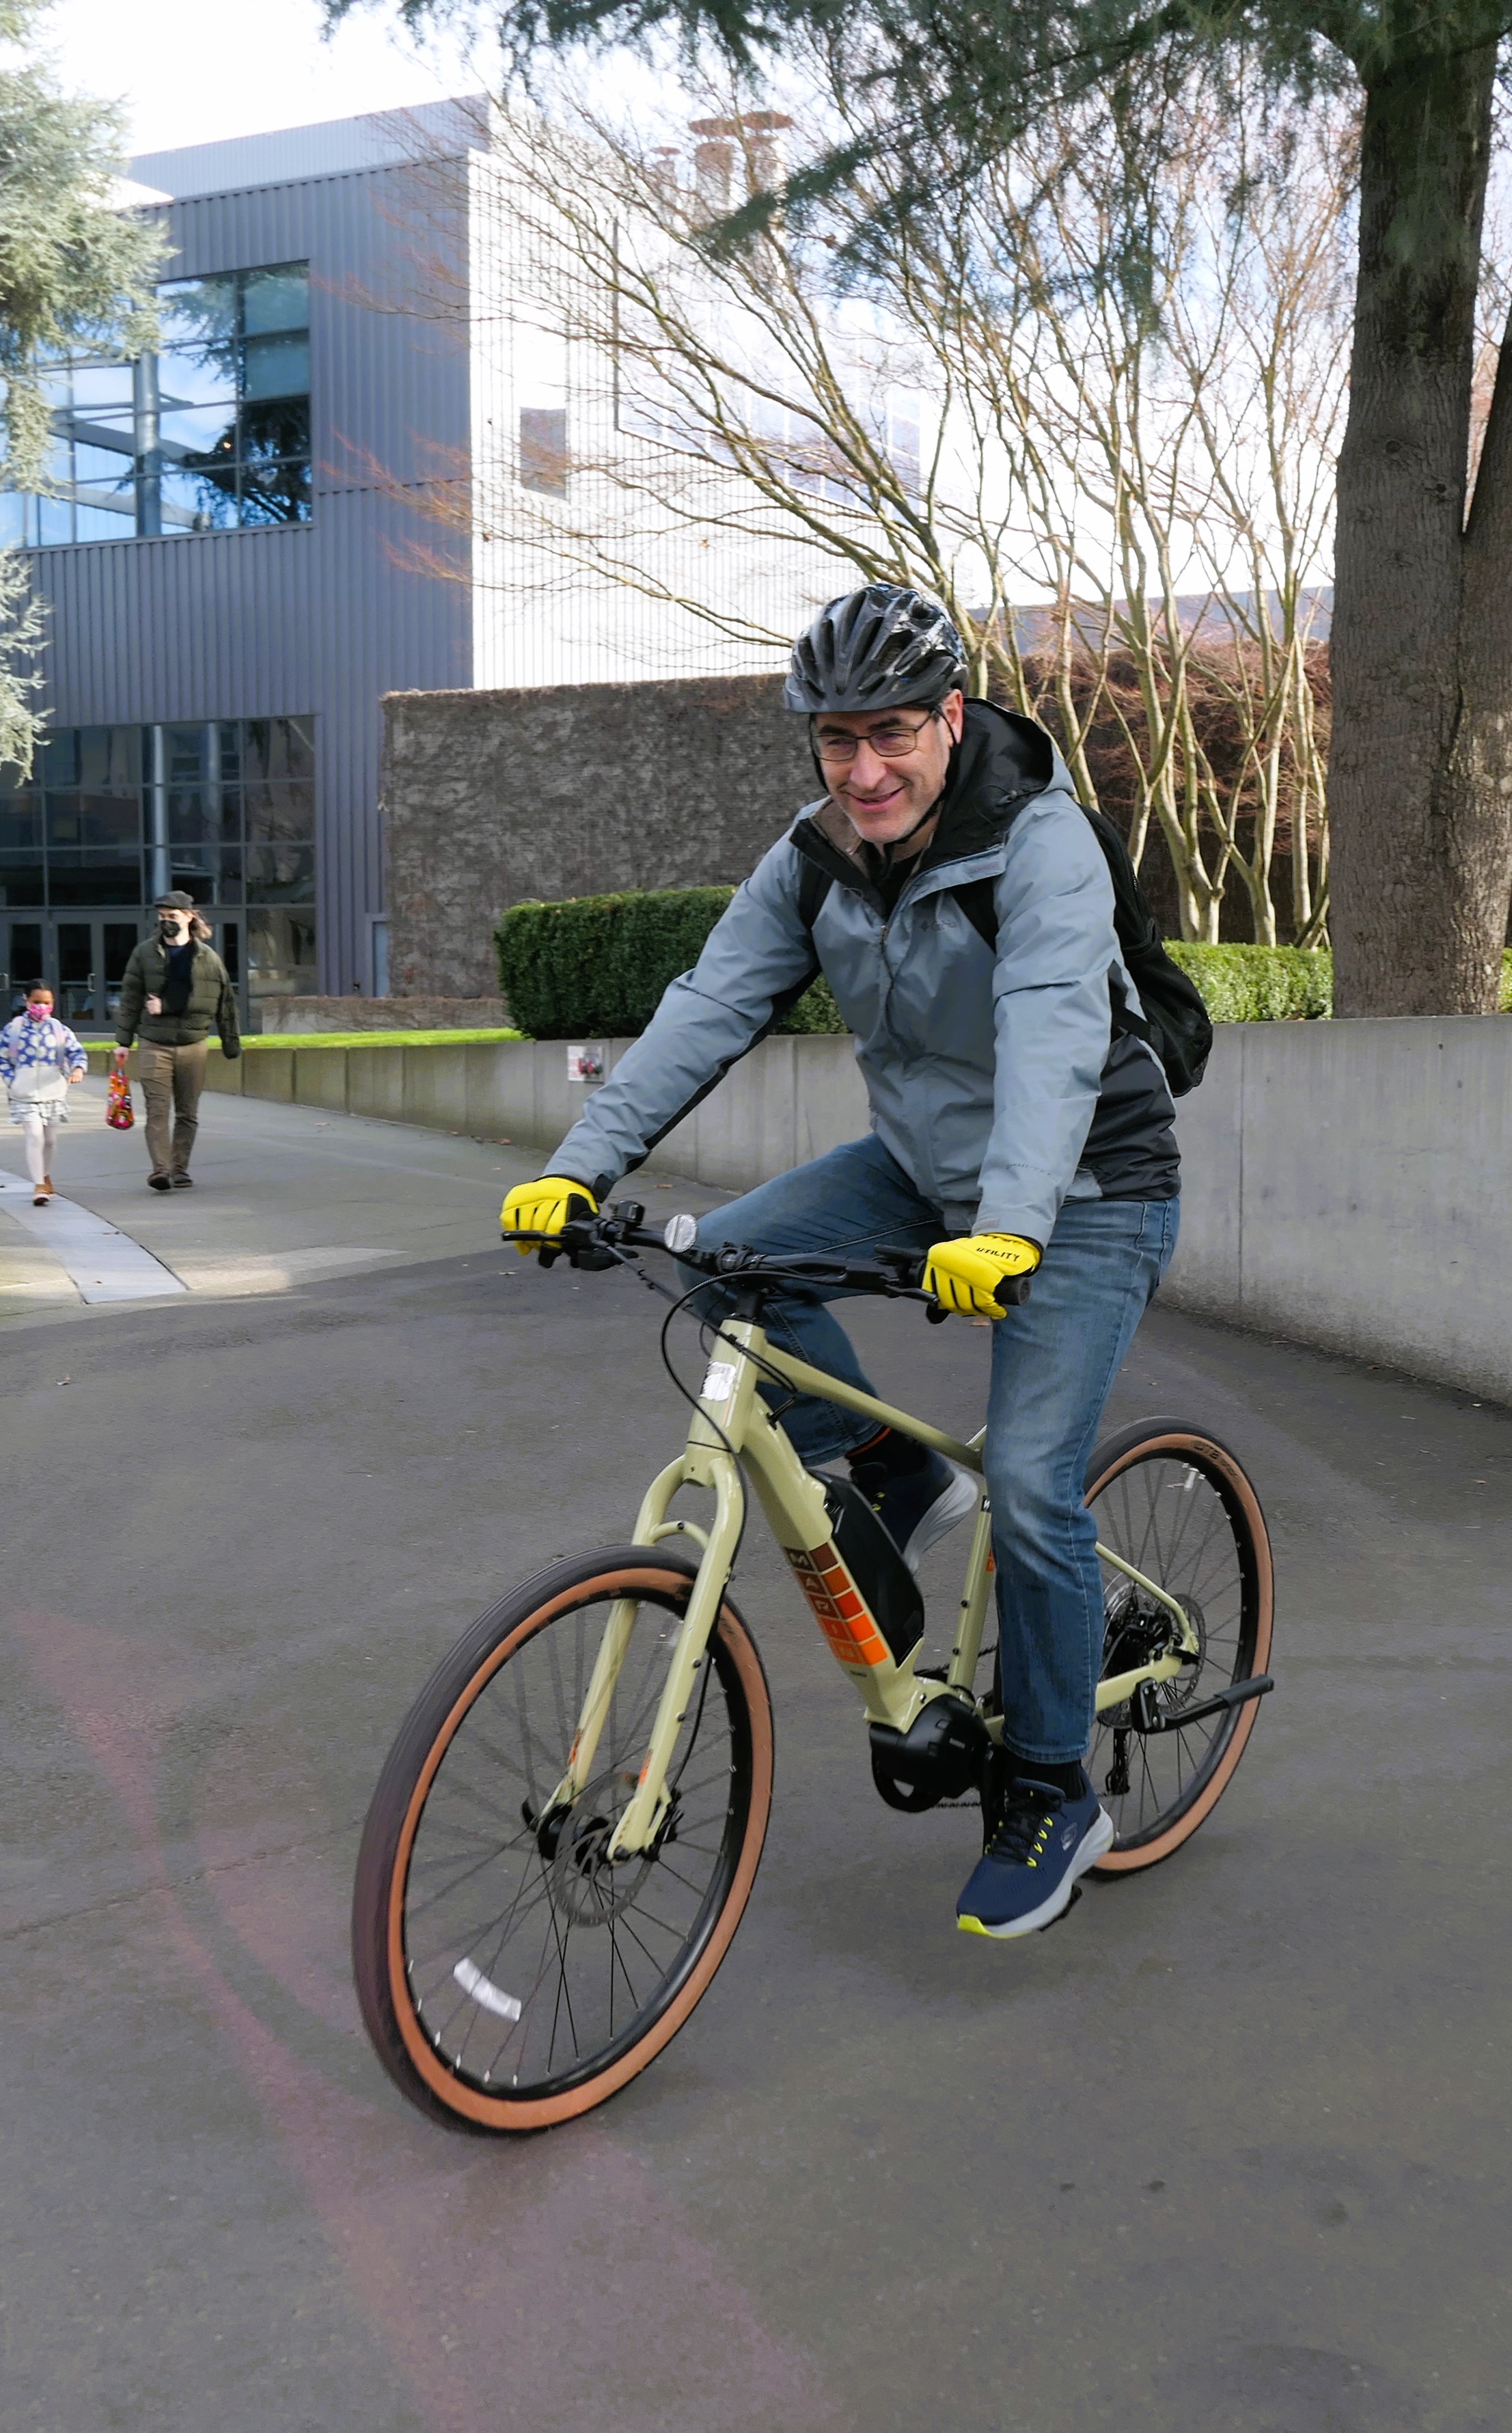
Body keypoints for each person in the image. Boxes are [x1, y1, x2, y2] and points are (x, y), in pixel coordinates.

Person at [501, 583, 1183, 1940]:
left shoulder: (1039, 843)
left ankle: (1053, 1789)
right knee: (723, 1263)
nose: (863, 770)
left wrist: (1011, 1228)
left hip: (1087, 1185)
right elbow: (710, 1000)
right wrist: (582, 1164)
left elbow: (1053, 1033)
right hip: (923, 1173)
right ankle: (896, 1469)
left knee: (1033, 1485)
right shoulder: (816, 855)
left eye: (890, 734)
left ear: (950, 719)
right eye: (835, 739)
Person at [111, 892, 241, 1192]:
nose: (166, 922)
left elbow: (222, 1003)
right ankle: (161, 1170)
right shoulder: (145, 953)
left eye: (172, 916)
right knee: (157, 1109)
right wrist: (123, 1040)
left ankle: (180, 1168)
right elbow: (130, 999)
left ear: (189, 916)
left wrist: (230, 1042)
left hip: (193, 1044)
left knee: (187, 1112)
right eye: (162, 917)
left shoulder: (208, 959)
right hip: (154, 1042)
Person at [0, 987, 87, 1206]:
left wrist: (78, 1069)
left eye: (47, 1002)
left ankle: (45, 1175)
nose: (42, 1007)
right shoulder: (13, 1029)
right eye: (37, 1002)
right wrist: (13, 1081)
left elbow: (76, 1051)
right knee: (35, 1137)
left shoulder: (59, 1029)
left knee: (50, 1140)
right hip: (24, 1095)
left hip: (53, 1093)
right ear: (26, 1001)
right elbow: (1, 1057)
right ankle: (39, 1185)